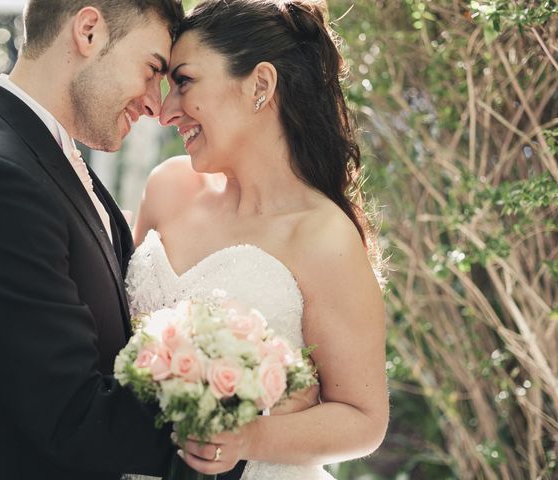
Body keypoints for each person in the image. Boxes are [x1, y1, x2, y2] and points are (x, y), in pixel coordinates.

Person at [0, 1, 196, 479]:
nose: (156, 103)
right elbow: (71, 414)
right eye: (152, 69)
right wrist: (239, 438)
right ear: (88, 31)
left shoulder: (40, 156)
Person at [125, 0, 389, 478]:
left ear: (260, 85)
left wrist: (245, 439)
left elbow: (364, 419)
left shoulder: (325, 237)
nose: (165, 111)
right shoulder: (167, 188)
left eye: (183, 82)